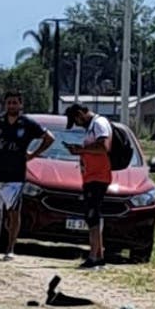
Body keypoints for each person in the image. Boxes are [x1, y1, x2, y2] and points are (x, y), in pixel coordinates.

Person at [0, 91, 54, 260]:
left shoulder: (28, 124)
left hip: (15, 177)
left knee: (13, 213)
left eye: (15, 103)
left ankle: (10, 249)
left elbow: (49, 138)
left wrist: (33, 154)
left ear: (21, 105)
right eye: (9, 103)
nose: (12, 106)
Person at [64, 102, 113, 269]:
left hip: (98, 177)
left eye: (76, 120)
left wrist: (81, 150)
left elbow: (103, 146)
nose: (77, 124)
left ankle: (94, 255)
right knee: (91, 216)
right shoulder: (92, 127)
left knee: (93, 214)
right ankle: (98, 254)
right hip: (90, 177)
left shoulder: (99, 123)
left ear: (81, 113)